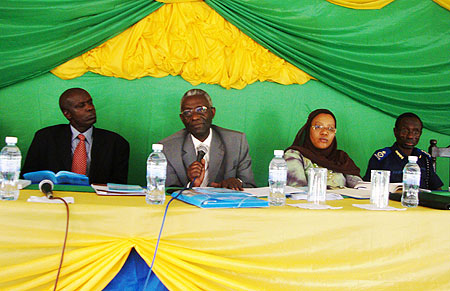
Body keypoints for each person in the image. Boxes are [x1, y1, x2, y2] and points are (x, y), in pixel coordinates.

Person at [22, 88, 130, 184]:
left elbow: (118, 186)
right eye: (81, 106)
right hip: (55, 199)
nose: (90, 108)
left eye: (90, 103)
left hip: (97, 202)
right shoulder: (45, 138)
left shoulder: (117, 143)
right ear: (67, 114)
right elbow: (27, 177)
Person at [159, 89, 256, 190]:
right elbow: (167, 192)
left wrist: (237, 183)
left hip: (225, 205)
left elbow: (250, 186)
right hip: (187, 205)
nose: (195, 117)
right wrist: (191, 185)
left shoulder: (236, 142)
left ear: (212, 112)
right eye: (188, 112)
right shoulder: (168, 148)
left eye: (201, 110)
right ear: (182, 118)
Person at [363, 112, 443, 190]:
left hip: (418, 202)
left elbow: (436, 189)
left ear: (420, 134)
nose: (410, 136)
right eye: (405, 131)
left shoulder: (424, 159)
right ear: (395, 132)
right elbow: (367, 188)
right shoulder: (382, 158)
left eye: (416, 132)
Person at [285, 109, 362, 188]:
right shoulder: (293, 156)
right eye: (318, 127)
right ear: (308, 130)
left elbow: (360, 187)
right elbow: (298, 190)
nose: (325, 132)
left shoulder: (341, 158)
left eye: (330, 128)